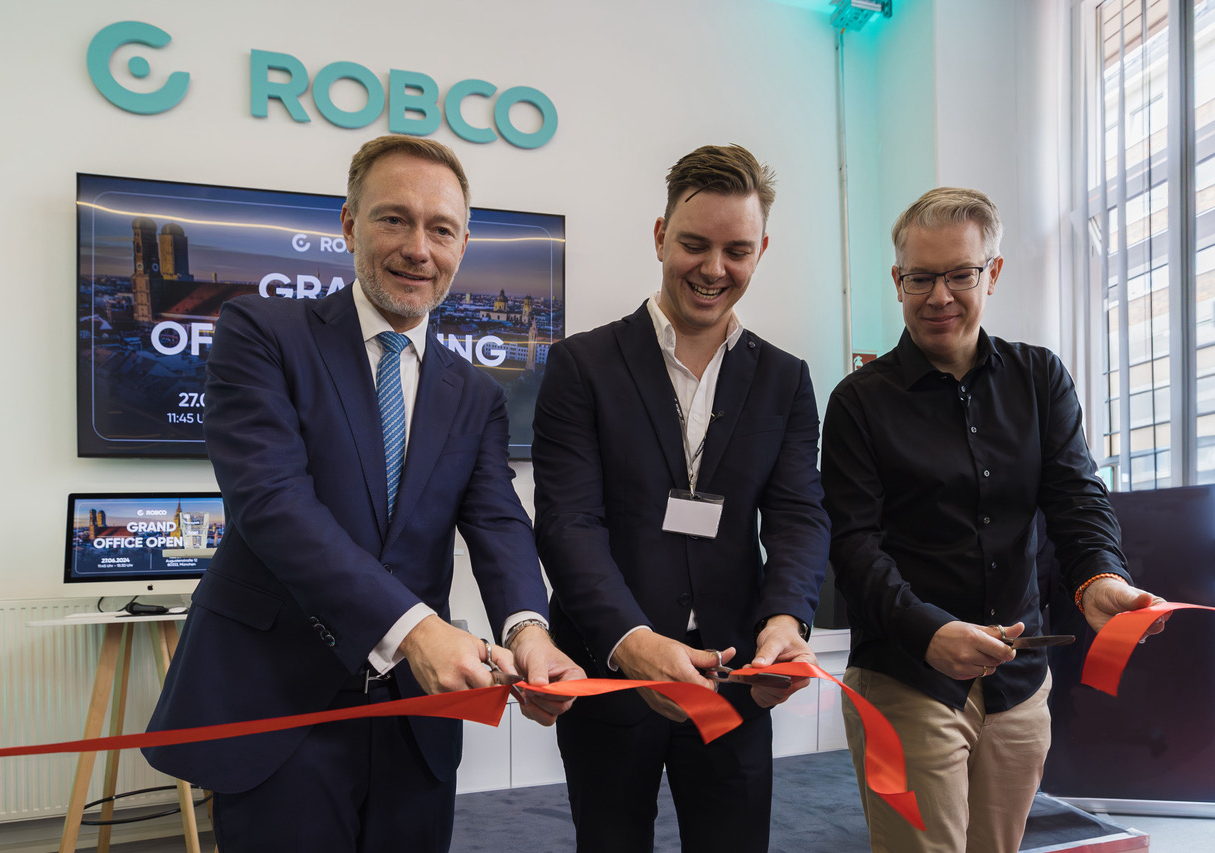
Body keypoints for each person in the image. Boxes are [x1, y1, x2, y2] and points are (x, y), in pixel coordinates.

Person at [143, 134, 583, 853]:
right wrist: (415, 630)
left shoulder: (472, 391)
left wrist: (527, 629)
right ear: (348, 224)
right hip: (278, 707)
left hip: (417, 719)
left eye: (441, 229)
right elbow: (272, 505)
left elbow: (498, 518)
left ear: (463, 244)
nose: (419, 248)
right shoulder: (262, 331)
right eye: (393, 219)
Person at [820, 187, 1167, 853]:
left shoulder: (1041, 378)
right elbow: (853, 546)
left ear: (993, 273)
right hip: (906, 677)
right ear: (898, 281)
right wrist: (930, 632)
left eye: (960, 274)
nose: (939, 295)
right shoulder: (858, 404)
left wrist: (1101, 578)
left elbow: (1076, 498)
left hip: (1019, 682)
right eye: (921, 277)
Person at [531, 143, 831, 852]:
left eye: (737, 250)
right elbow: (569, 522)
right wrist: (631, 643)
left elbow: (797, 515)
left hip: (734, 674)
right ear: (661, 235)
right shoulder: (582, 365)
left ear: (761, 250)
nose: (714, 269)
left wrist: (788, 618)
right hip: (610, 668)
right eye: (694, 244)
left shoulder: (785, 379)